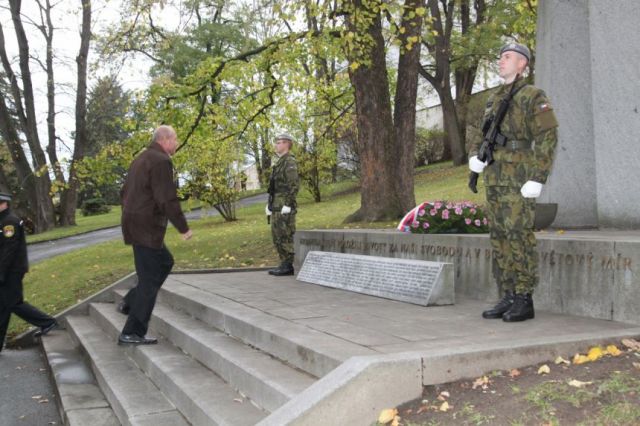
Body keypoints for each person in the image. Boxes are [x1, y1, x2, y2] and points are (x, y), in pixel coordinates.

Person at [468, 43, 559, 322]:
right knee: (500, 237)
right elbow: (485, 134)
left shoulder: (533, 95)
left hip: (519, 177)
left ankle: (524, 297)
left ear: (523, 64)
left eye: (507, 57)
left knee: (519, 235)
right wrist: (478, 158)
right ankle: (507, 293)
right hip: (495, 177)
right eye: (500, 57)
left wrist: (538, 177)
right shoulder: (494, 98)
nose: (501, 61)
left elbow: (548, 136)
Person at [117, 125, 192, 345]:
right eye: (175, 139)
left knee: (165, 262)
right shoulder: (161, 161)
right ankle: (132, 332)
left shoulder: (140, 158)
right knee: (149, 280)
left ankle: (130, 302)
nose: (177, 143)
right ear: (165, 139)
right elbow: (166, 198)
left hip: (135, 223)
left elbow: (124, 192)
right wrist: (183, 227)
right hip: (146, 227)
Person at [0, 193, 57, 352]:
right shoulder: (4, 220)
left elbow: (8, 251)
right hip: (9, 270)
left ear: (4, 203)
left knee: (14, 303)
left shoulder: (9, 222)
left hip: (12, 271)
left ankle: (47, 321)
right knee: (4, 306)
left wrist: (1, 273)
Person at [265, 133, 299, 276]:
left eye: (279, 142)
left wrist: (288, 204)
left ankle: (288, 265)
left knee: (285, 235)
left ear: (287, 144)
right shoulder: (279, 162)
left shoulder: (289, 162)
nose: (276, 145)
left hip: (285, 205)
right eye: (277, 142)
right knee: (277, 235)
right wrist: (270, 204)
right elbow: (275, 187)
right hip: (277, 205)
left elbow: (293, 185)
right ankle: (283, 262)